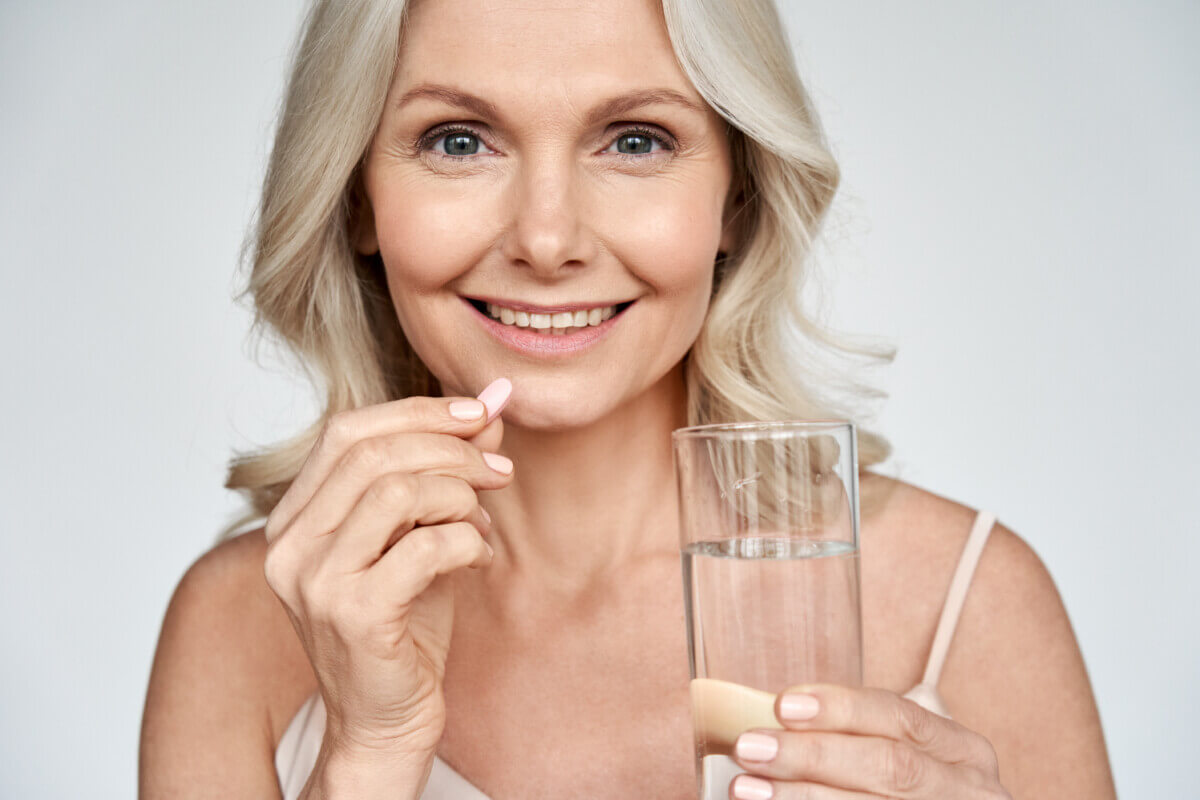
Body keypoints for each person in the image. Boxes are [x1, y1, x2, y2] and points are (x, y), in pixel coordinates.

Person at [139, 0, 1117, 797]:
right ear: (356, 198)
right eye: (459, 139)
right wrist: (369, 755)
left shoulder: (969, 598)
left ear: (739, 196)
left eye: (637, 140)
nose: (548, 237)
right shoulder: (240, 625)